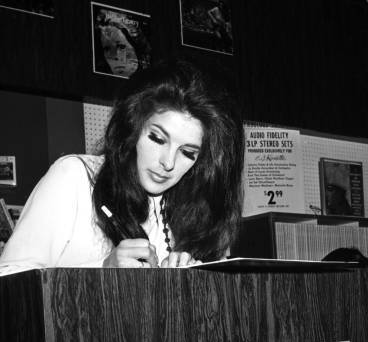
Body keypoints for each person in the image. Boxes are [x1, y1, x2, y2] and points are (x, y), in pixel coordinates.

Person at [0, 58, 244, 275]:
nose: (168, 163)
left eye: (188, 153)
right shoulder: (75, 176)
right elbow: (10, 278)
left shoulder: (199, 206)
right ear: (132, 128)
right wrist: (104, 271)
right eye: (157, 139)